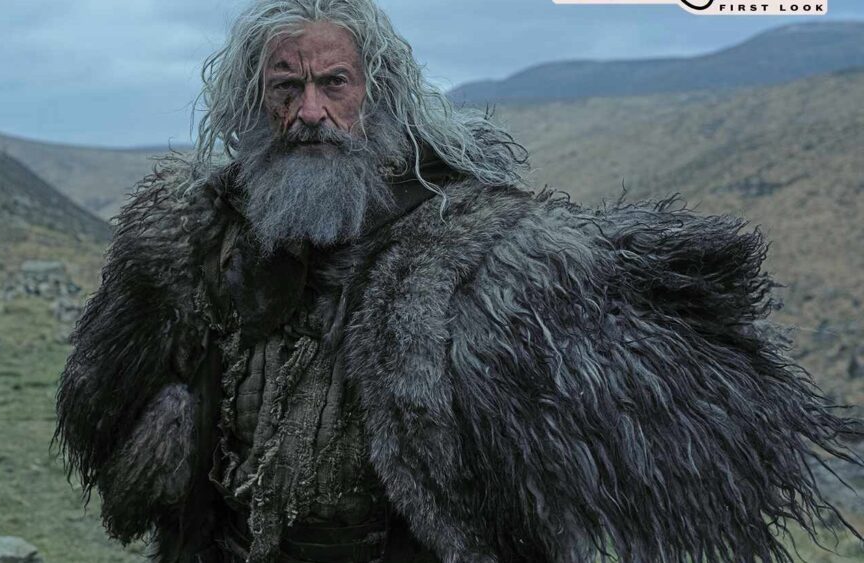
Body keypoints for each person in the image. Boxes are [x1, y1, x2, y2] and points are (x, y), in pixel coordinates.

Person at [54, 1, 860, 561]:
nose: (310, 112)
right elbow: (102, 410)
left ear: (376, 96)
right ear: (254, 101)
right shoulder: (193, 241)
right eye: (286, 88)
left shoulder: (469, 242)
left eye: (334, 84)